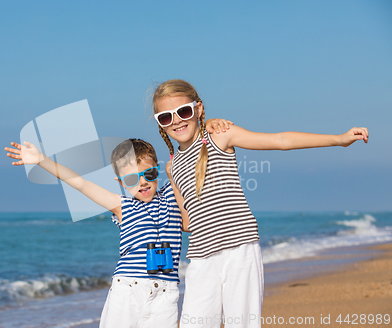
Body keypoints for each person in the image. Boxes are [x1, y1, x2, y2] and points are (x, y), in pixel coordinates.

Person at [151, 79, 369, 328]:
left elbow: (281, 141)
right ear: (160, 124)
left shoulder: (220, 136)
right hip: (201, 258)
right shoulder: (172, 167)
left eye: (184, 111)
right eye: (166, 117)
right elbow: (188, 221)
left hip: (240, 249)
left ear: (198, 109)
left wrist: (338, 139)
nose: (177, 120)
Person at [3, 119, 232, 328]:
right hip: (128, 290)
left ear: (157, 171)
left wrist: (205, 128)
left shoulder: (171, 194)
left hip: (166, 293)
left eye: (149, 174)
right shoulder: (121, 205)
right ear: (120, 182)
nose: (142, 182)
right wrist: (41, 160)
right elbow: (80, 183)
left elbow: (197, 170)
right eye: (132, 179)